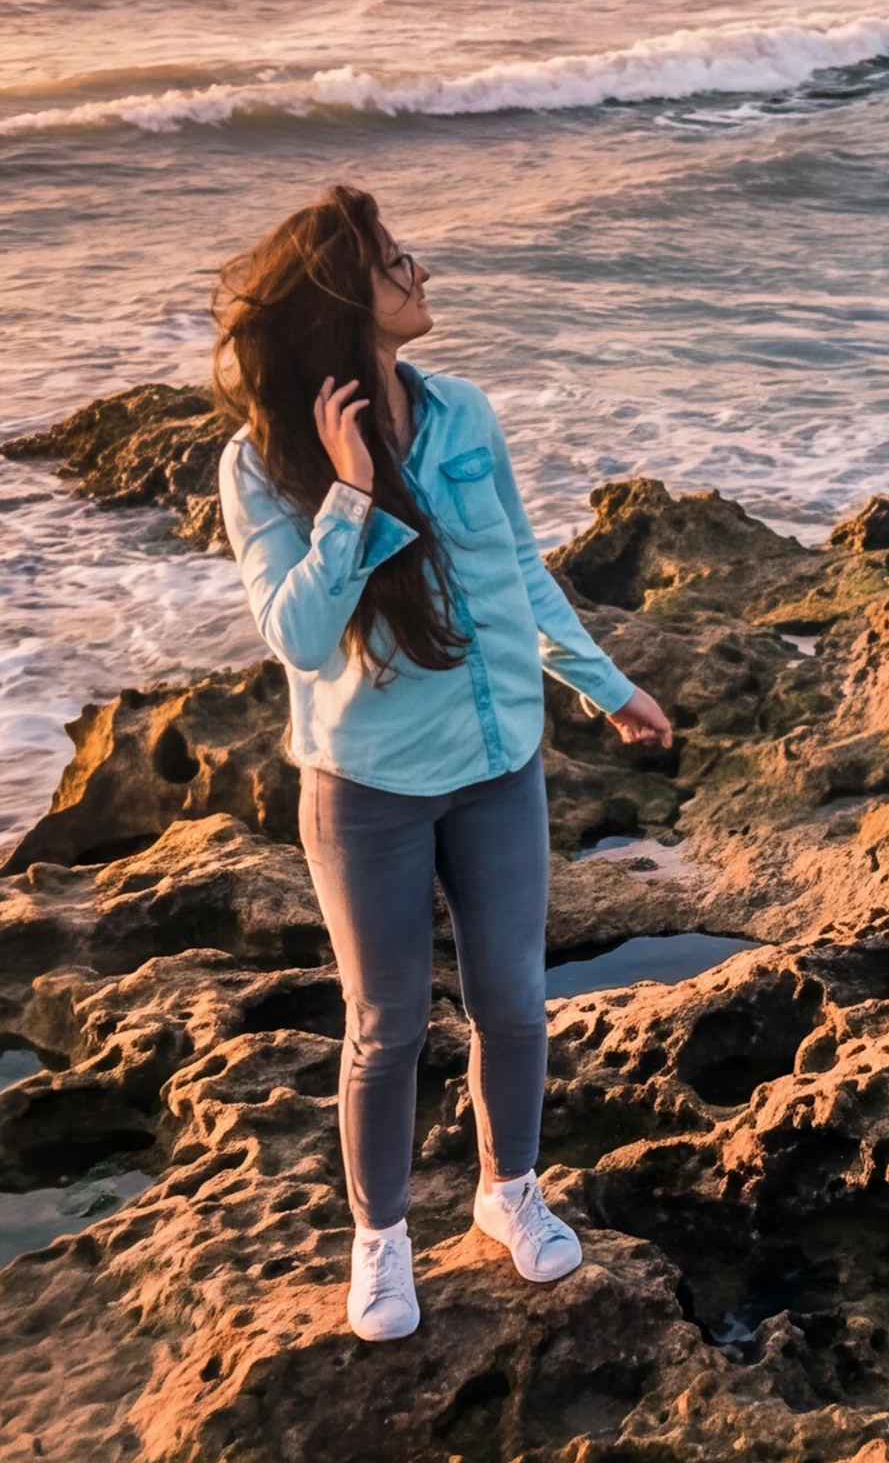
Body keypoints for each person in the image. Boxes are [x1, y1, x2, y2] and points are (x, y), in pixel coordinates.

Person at [210, 183, 674, 1342]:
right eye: (394, 259)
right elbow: (300, 636)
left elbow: (519, 566)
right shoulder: (261, 465)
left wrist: (602, 684)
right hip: (364, 783)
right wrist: (356, 488)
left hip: (499, 751)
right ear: (342, 298)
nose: (419, 270)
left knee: (516, 1001)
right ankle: (380, 1242)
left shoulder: (465, 410)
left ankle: (508, 1192)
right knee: (389, 1024)